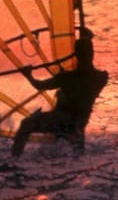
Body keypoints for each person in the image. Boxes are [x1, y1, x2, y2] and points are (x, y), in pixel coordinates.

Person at [11, 28, 110, 156]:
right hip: (80, 122)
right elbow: (85, 66)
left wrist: (28, 75)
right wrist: (87, 39)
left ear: (76, 55)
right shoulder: (101, 77)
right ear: (92, 54)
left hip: (60, 121)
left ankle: (15, 159)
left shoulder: (66, 78)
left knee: (26, 124)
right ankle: (77, 157)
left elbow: (39, 85)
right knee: (77, 147)